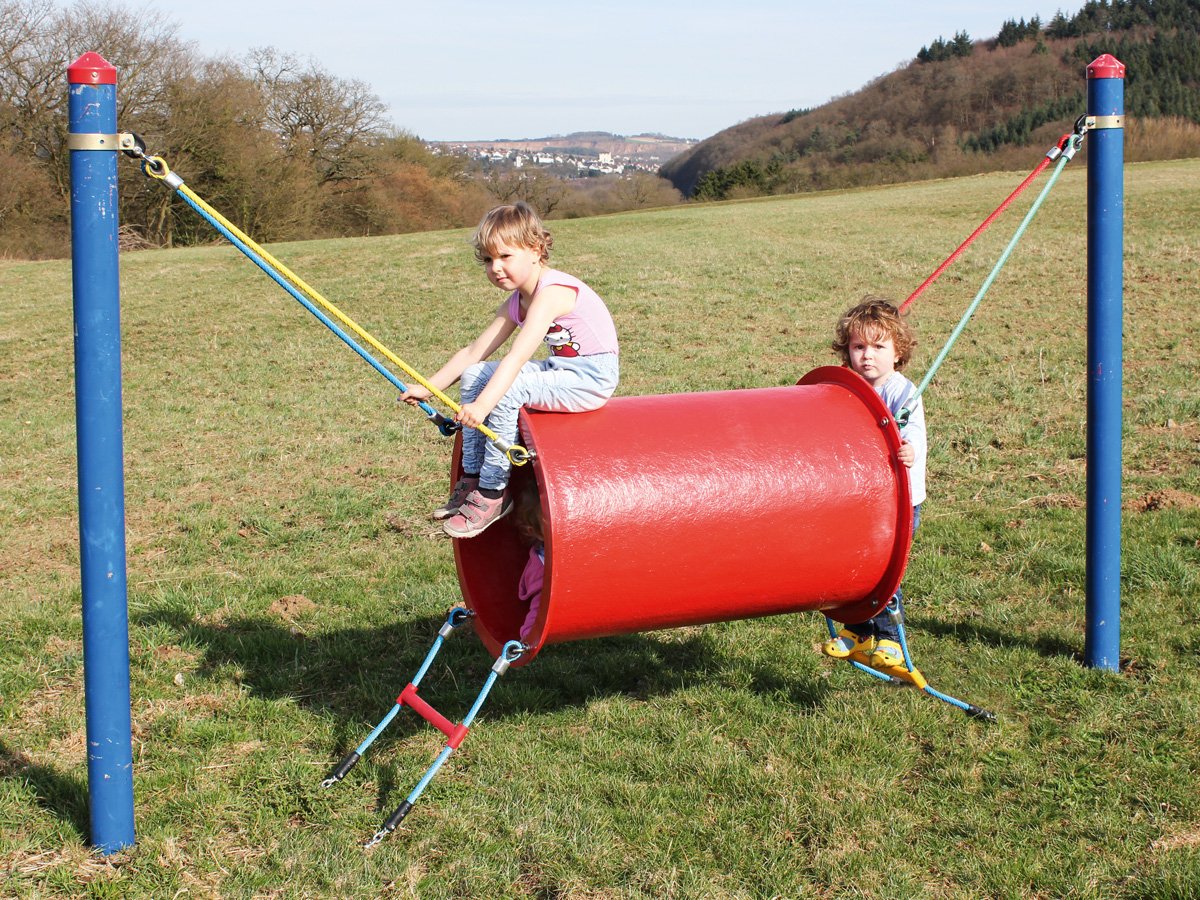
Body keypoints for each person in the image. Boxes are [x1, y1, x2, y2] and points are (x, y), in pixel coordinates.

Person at [400, 202, 619, 538]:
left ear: (535, 250)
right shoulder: (518, 300)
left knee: (509, 386)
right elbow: (474, 352)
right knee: (476, 374)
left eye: (505, 257)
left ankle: (493, 493)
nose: (495, 268)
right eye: (488, 260)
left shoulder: (553, 294)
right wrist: (428, 388)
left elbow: (516, 357)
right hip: (559, 368)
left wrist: (483, 406)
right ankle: (472, 477)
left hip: (591, 379)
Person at [821, 296, 926, 669]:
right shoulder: (847, 388)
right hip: (862, 499)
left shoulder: (902, 391)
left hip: (898, 501)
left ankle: (890, 640)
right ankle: (858, 630)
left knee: (885, 570)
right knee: (857, 563)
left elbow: (910, 430)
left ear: (898, 353)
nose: (868, 356)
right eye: (858, 346)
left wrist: (909, 450)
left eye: (879, 347)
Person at [512, 480, 545, 644]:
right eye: (549, 522)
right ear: (536, 533)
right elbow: (538, 608)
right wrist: (528, 637)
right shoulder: (540, 569)